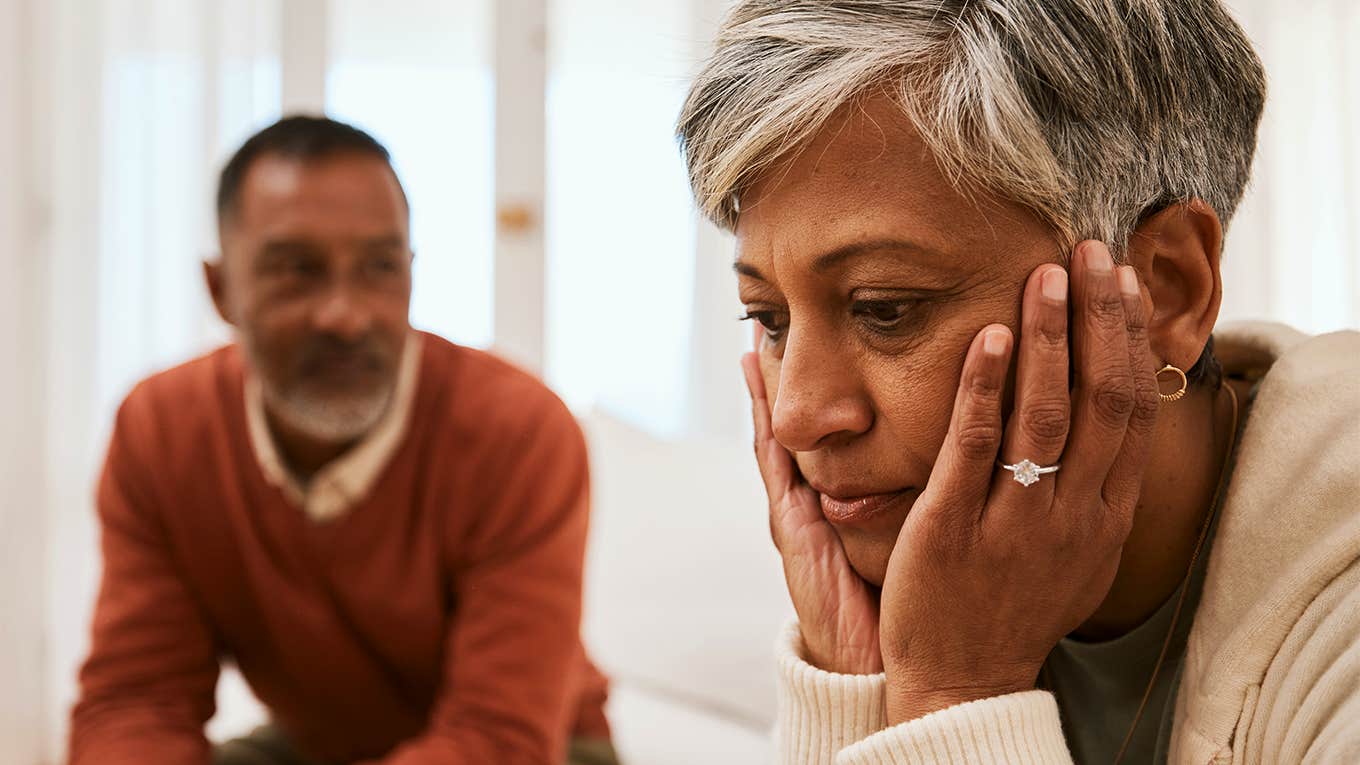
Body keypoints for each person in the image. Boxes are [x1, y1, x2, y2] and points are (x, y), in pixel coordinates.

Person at [678, 1, 1359, 763]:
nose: (800, 414)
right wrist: (856, 680)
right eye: (767, 319)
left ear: (1165, 287)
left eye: (886, 307)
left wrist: (957, 694)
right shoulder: (914, 579)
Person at [69, 116, 616, 765]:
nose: (346, 315)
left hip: (546, 745)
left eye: (380, 268)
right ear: (221, 291)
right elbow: (137, 701)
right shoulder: (160, 430)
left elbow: (499, 739)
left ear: (411, 274)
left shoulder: (520, 431)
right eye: (297, 271)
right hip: (318, 746)